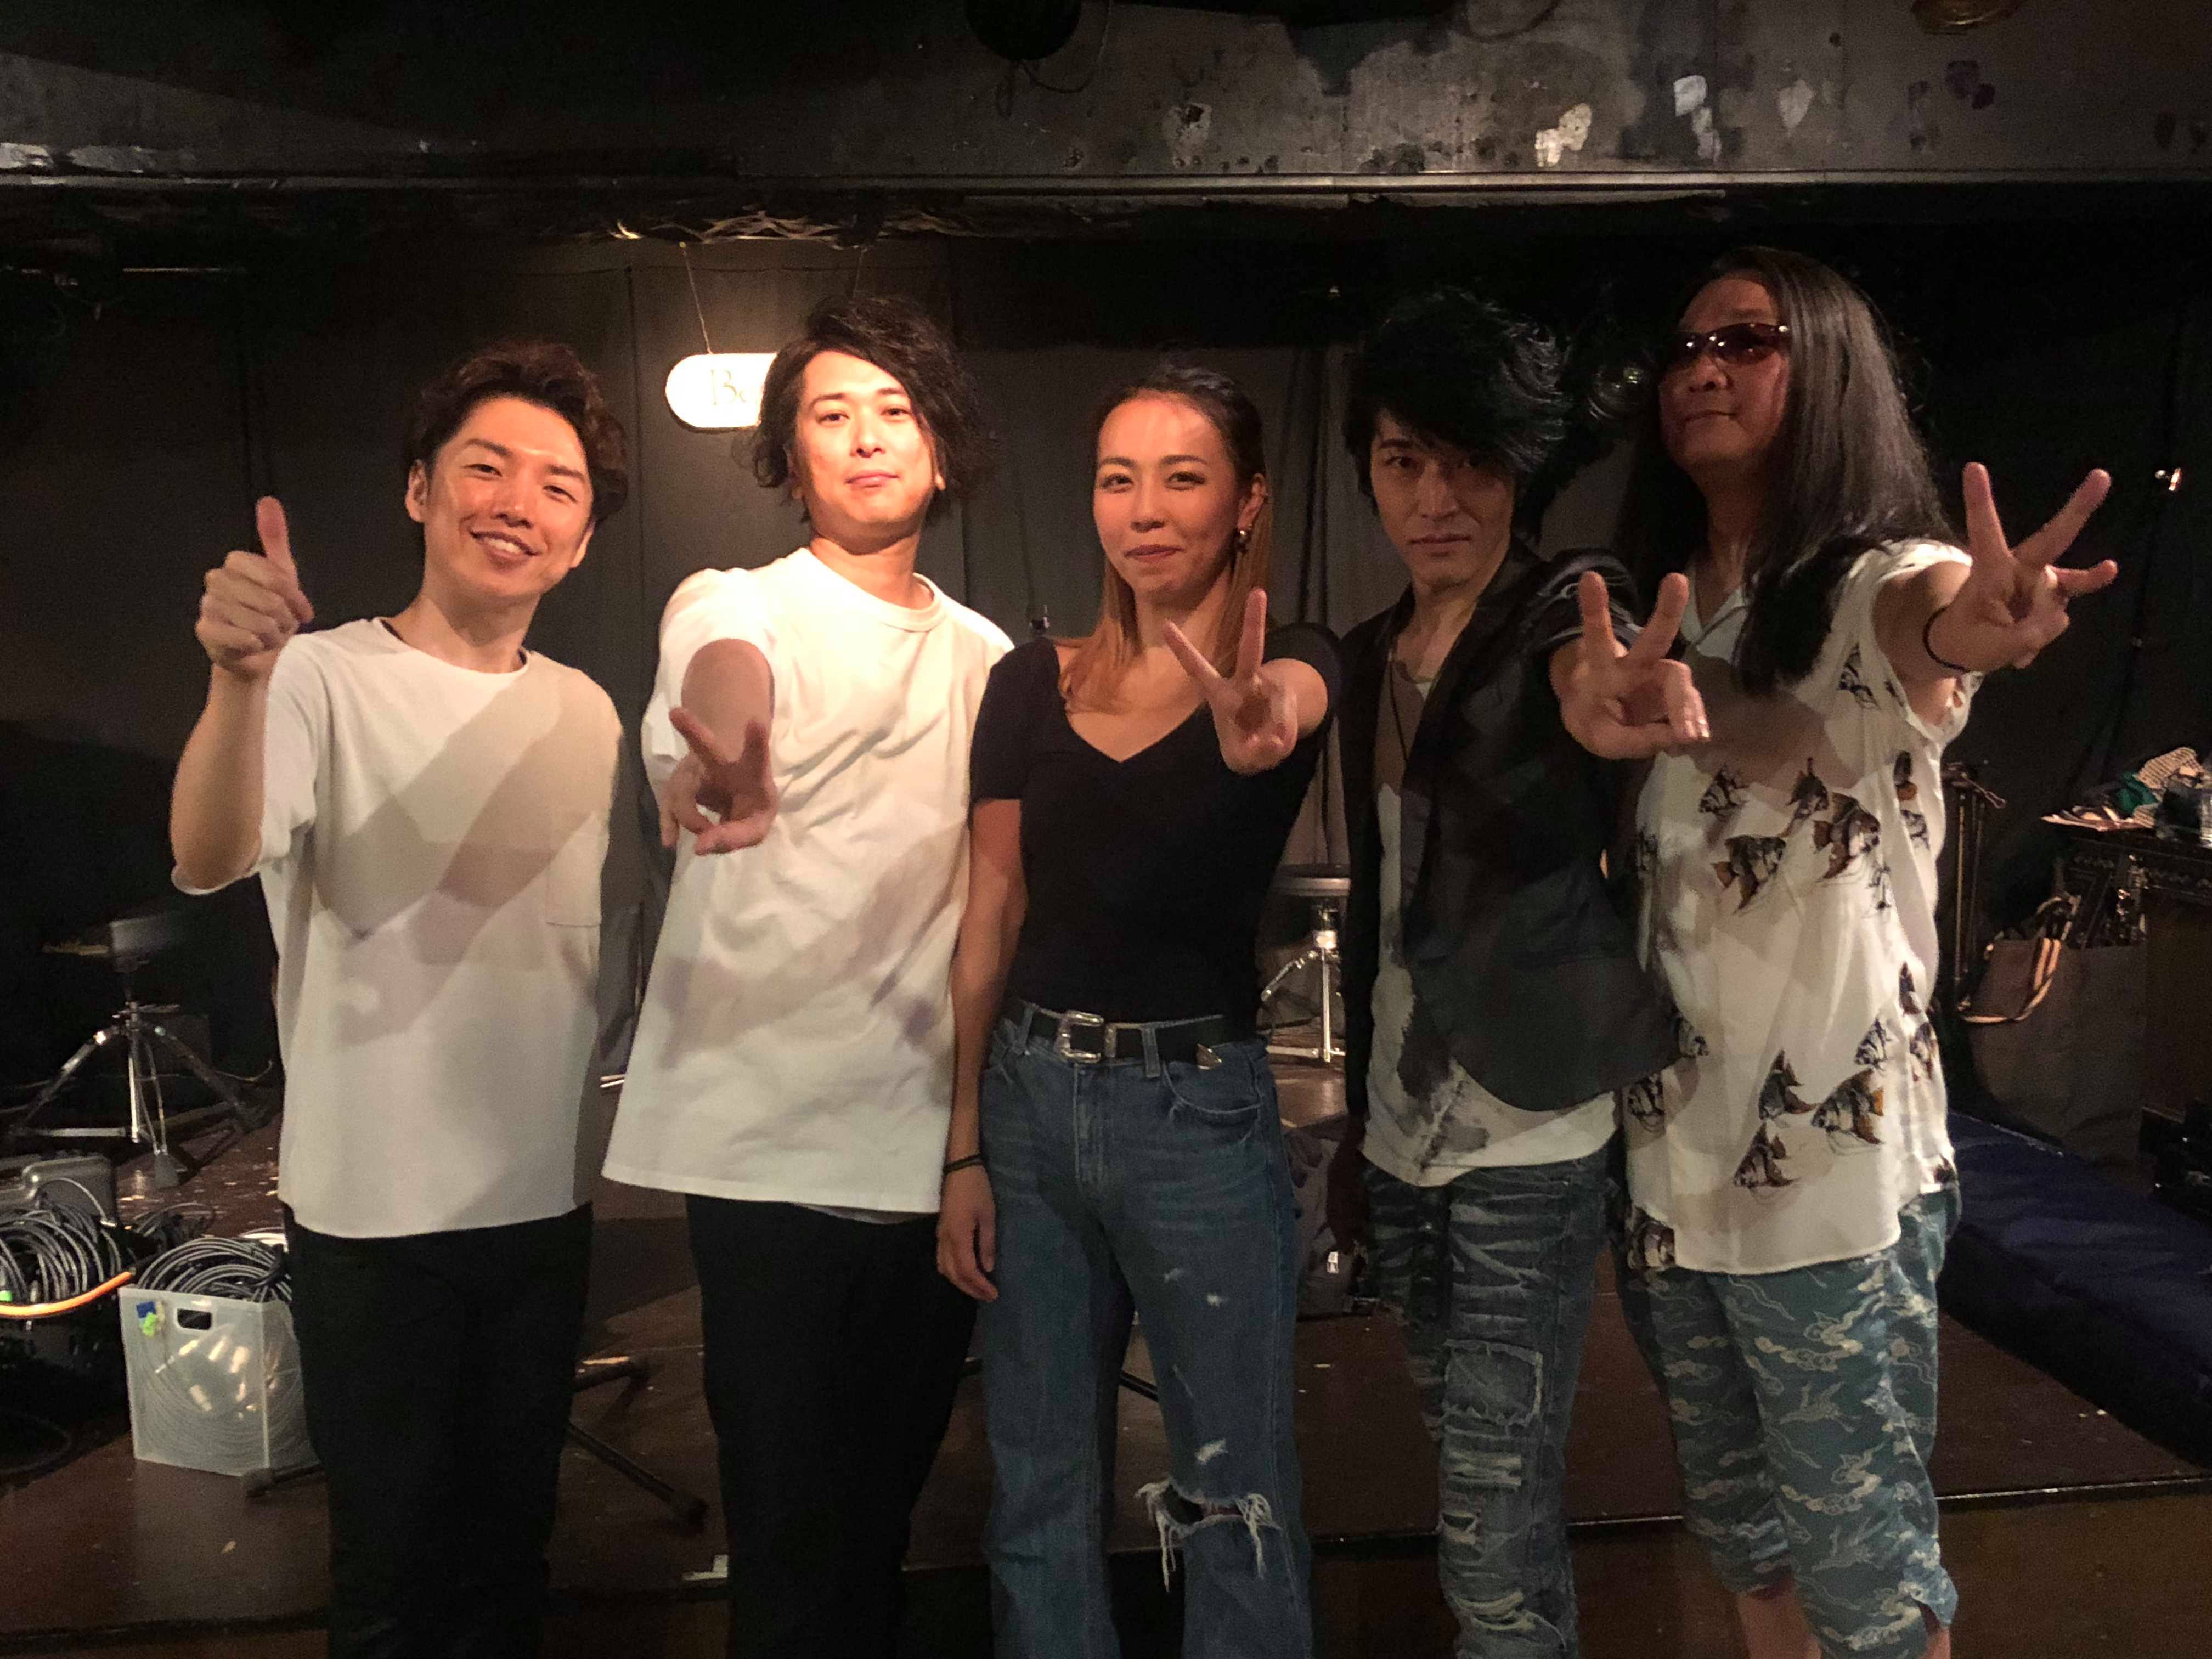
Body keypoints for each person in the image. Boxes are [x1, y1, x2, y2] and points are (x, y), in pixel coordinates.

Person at [1581, 246, 2114, 1659]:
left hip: (1830, 1179)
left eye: (1748, 341)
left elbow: (1925, 622)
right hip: (1673, 1158)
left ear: (1826, 366)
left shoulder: (1871, 575)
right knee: (1747, 1544)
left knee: (1866, 1580)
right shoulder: (1666, 597)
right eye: (1685, 346)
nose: (1702, 368)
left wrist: (1974, 624)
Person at [170, 341, 630, 1657]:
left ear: (581, 543)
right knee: (390, 1574)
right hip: (373, 1213)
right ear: (420, 490)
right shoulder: (317, 675)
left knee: (512, 1552)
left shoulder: (591, 713)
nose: (518, 503)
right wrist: (239, 679)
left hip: (542, 1198)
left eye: (557, 488)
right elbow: (208, 854)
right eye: (486, 468)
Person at [601, 295, 1009, 1657]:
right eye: (832, 414)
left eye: (896, 410)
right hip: (765, 1145)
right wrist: (725, 758)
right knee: (786, 1528)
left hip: (923, 1151)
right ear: (790, 456)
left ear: (941, 450)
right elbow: (723, 685)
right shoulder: (735, 600)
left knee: (884, 1518)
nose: (867, 436)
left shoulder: (988, 658)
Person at [935, 361, 1338, 1658]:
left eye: (1183, 478)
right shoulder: (1028, 681)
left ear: (1247, 502)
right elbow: (991, 912)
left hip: (1197, 1114)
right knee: (1038, 1487)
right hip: (1028, 1105)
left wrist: (1268, 714)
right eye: (1119, 479)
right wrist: (962, 1146)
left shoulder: (1292, 661)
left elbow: (1292, 701)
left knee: (1235, 1489)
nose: (1146, 510)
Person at [1322, 287, 1692, 1658]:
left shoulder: (1559, 608)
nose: (1438, 498)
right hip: (1401, 1126)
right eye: (1405, 461)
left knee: (1488, 1513)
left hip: (1530, 1129)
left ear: (1520, 470)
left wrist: (1606, 702)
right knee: (1477, 1478)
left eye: (1472, 463)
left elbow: (1584, 682)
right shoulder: (1370, 653)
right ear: (1369, 470)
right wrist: (1355, 1119)